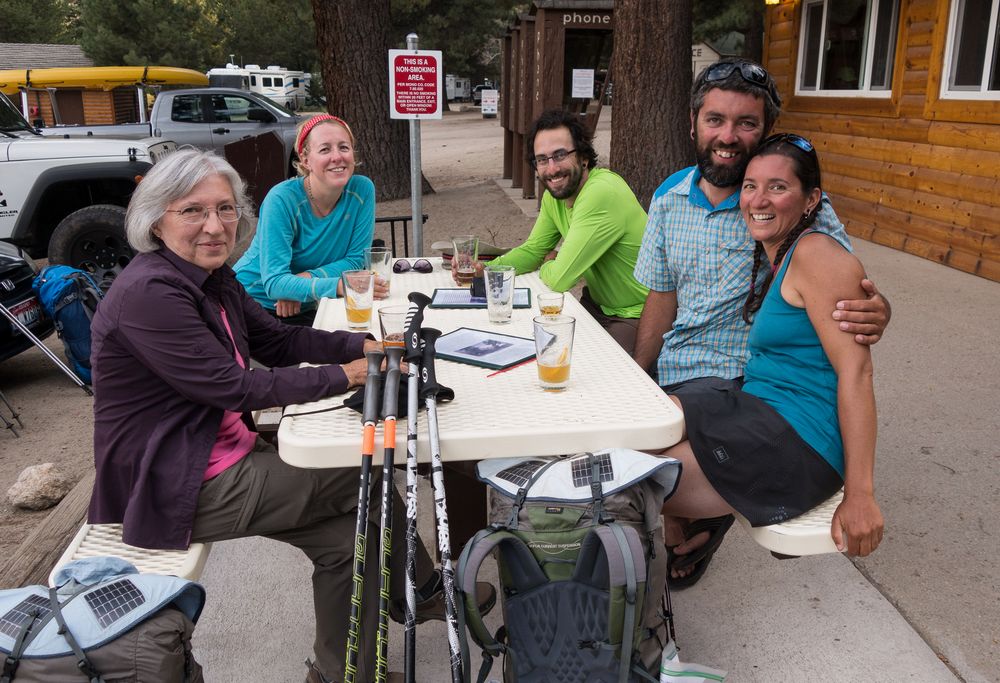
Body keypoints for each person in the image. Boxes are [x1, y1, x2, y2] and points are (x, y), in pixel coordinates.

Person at [87, 149, 493, 683]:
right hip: (176, 483)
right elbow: (236, 388)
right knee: (360, 476)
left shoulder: (211, 277)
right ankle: (420, 589)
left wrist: (364, 345)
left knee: (354, 537)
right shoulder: (151, 292)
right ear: (155, 219)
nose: (214, 226)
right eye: (193, 211)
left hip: (217, 455)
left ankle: (342, 671)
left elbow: (279, 340)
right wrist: (347, 375)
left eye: (225, 209)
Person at [632, 58, 890, 586]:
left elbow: (844, 289)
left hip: (742, 382)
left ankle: (676, 544)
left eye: (745, 123)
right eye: (715, 120)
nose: (728, 135)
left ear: (764, 130)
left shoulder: (801, 208)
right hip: (708, 379)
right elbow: (662, 295)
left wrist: (878, 309)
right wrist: (637, 376)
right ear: (693, 123)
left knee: (633, 481)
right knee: (623, 435)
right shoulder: (668, 198)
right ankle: (689, 528)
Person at [464, 108, 649, 353]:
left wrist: (552, 261)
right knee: (533, 348)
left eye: (560, 155)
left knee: (582, 370)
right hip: (596, 306)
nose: (551, 169)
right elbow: (534, 250)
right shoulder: (556, 195)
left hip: (638, 314)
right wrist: (486, 270)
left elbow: (561, 278)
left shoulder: (601, 191)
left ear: (583, 156)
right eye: (542, 159)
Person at [234, 113, 385, 327]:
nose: (337, 157)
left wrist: (299, 282)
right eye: (325, 149)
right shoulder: (282, 199)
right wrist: (340, 286)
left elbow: (355, 261)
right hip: (253, 302)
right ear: (305, 160)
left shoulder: (362, 189)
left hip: (309, 302)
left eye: (344, 147)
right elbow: (274, 283)